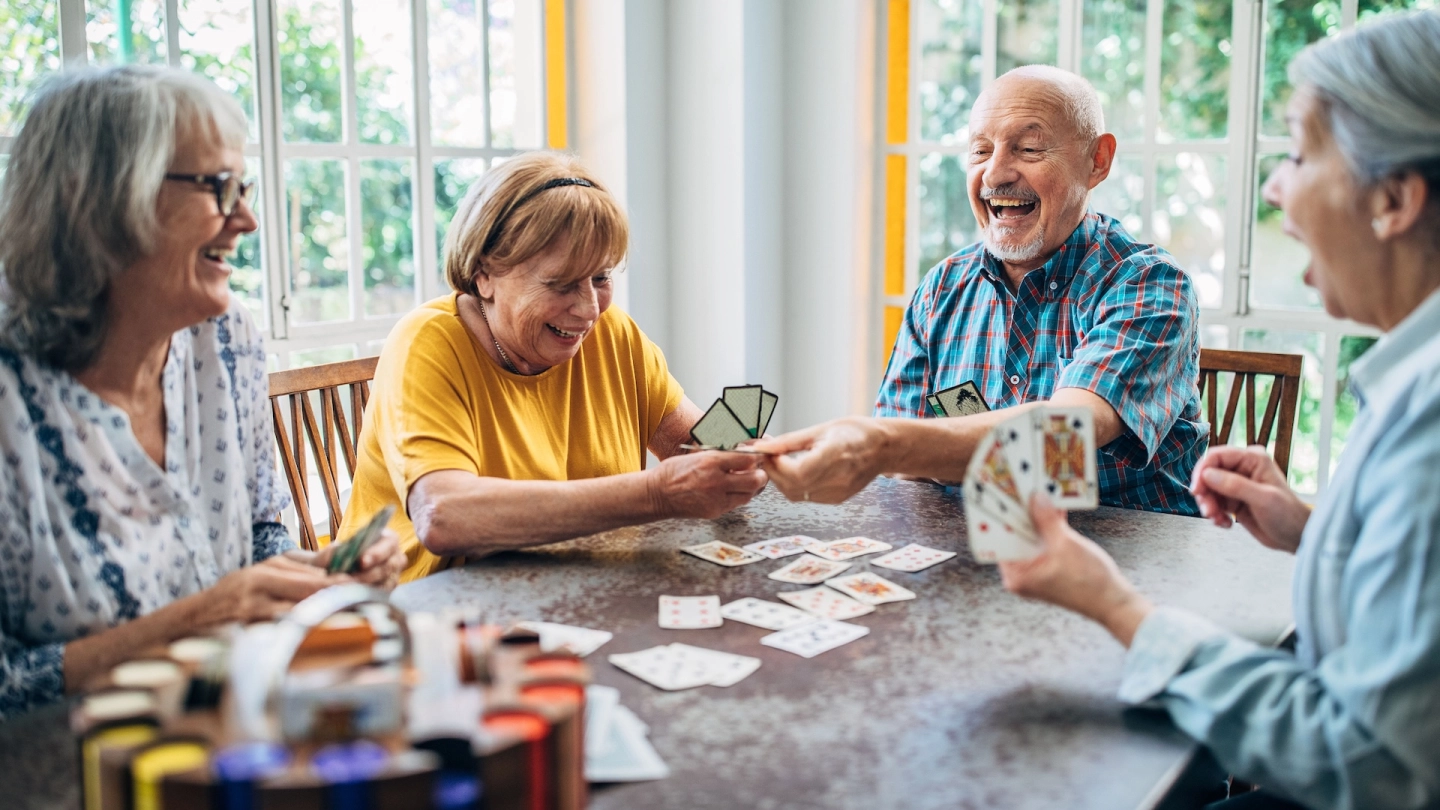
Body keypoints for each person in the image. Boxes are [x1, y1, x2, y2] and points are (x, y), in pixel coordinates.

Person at [998, 11, 1440, 809]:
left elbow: (1374, 770)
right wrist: (1317, 530)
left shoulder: (1429, 419)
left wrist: (1116, 605)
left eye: (1301, 156)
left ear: (1396, 199)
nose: (1274, 187)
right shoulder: (1413, 378)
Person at [0, 65, 406, 720]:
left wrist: (311, 575)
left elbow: (259, 536)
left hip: (222, 740)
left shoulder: (225, 339)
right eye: (218, 187)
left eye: (241, 186)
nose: (245, 218)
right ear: (99, 202)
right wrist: (204, 617)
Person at [758, 66, 1204, 515]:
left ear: (1097, 161)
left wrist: (883, 444)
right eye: (980, 150)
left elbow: (1068, 432)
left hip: (1128, 562)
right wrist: (887, 449)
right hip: (976, 548)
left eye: (1028, 148)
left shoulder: (1148, 283)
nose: (996, 173)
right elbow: (903, 465)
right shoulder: (941, 288)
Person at [340, 151, 767, 582]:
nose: (587, 309)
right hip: (429, 618)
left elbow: (692, 447)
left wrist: (749, 446)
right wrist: (656, 494)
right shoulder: (426, 342)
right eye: (561, 283)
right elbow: (444, 516)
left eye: (601, 278)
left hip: (574, 592)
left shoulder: (612, 330)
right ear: (484, 273)